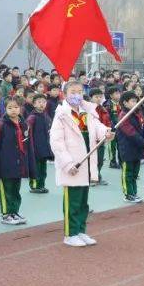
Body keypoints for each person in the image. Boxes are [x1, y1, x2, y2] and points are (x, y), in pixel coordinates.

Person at [49, 80, 112, 246]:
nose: (77, 95)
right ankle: (70, 234)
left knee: (83, 201)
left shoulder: (87, 111)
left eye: (79, 91)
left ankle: (81, 230)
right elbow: (57, 143)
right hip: (72, 165)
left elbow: (97, 127)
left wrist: (105, 132)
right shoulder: (61, 114)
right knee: (73, 201)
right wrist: (68, 163)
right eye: (73, 92)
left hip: (86, 162)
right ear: (65, 94)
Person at [0, 96, 29, 226]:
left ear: (20, 108)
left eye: (16, 107)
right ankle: (6, 214)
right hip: (4, 165)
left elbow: (26, 146)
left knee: (16, 190)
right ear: (5, 109)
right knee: (6, 191)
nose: (13, 110)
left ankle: (14, 211)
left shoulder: (23, 124)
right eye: (10, 108)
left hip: (18, 163)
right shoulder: (0, 125)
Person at [115, 91, 144, 203]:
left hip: (138, 148)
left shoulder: (138, 113)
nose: (136, 103)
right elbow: (131, 133)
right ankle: (128, 194)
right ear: (125, 103)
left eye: (136, 100)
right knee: (128, 173)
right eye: (133, 101)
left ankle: (134, 192)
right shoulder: (123, 116)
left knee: (135, 173)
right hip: (127, 149)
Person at [26, 93, 52, 194]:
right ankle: (35, 186)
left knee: (43, 169)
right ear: (34, 104)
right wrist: (30, 148)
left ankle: (41, 185)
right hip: (35, 148)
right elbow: (28, 134)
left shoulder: (46, 116)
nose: (42, 104)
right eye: (39, 102)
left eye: (44, 102)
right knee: (35, 168)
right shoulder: (32, 118)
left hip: (44, 148)